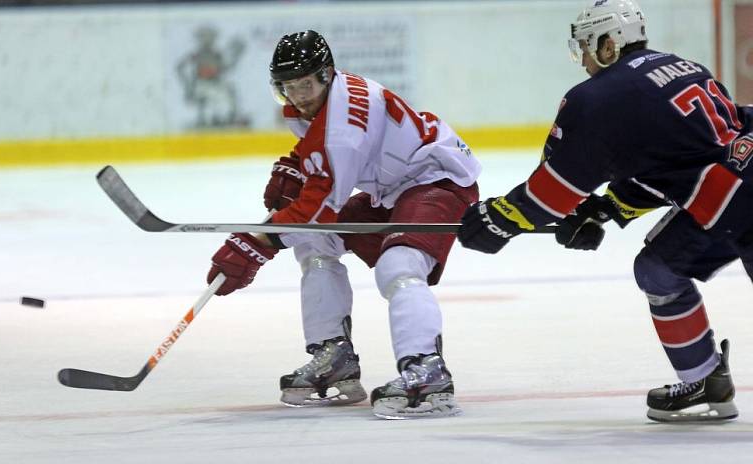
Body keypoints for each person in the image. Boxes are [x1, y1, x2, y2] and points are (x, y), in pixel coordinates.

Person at [457, 0, 753, 422]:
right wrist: (605, 208)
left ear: (609, 43)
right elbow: (676, 164)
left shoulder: (600, 97)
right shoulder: (682, 66)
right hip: (730, 193)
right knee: (657, 269)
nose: (583, 61)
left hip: (736, 200)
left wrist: (501, 219)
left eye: (587, 47)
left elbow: (552, 192)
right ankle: (704, 380)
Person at [205, 30, 481, 419]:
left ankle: (426, 370)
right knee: (315, 244)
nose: (298, 95)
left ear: (327, 75)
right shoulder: (324, 104)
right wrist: (298, 166)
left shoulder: (342, 131)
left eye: (305, 84)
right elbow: (319, 184)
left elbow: (318, 210)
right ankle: (333, 353)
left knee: (398, 266)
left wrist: (255, 243)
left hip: (437, 180)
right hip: (391, 189)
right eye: (288, 86)